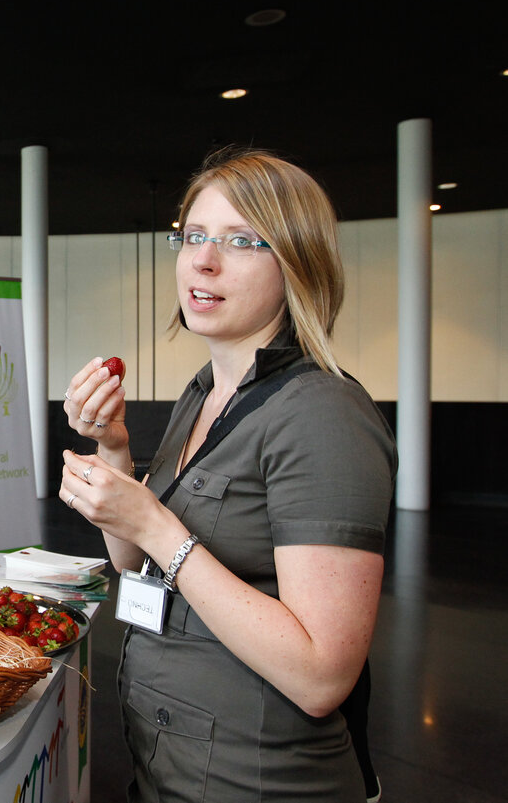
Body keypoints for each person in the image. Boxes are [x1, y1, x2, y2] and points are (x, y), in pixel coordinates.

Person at [60, 150, 395, 802]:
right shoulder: (202, 392)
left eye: (242, 241)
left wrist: (158, 527)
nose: (204, 260)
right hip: (170, 768)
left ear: (298, 261)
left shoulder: (323, 413)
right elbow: (136, 568)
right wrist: (115, 449)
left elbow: (323, 674)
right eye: (193, 236)